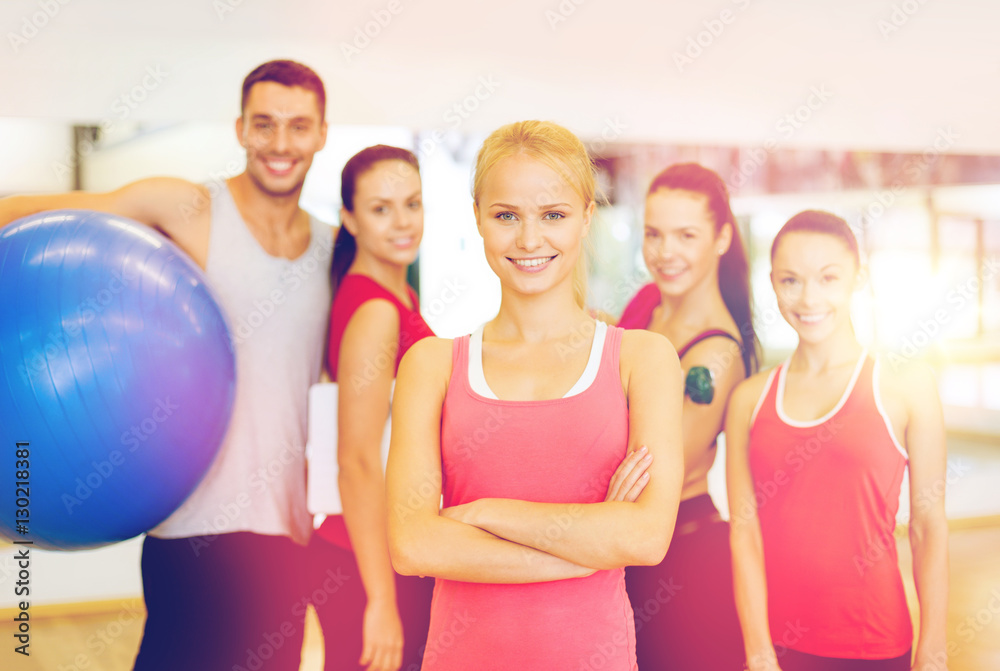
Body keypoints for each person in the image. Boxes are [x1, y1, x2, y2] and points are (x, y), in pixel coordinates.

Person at [0, 59, 333, 670]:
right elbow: (20, 209)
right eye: (264, 124)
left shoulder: (332, 248)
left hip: (286, 531)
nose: (280, 143)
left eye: (297, 126)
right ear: (240, 128)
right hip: (189, 528)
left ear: (321, 133)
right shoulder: (189, 208)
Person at [385, 120, 685, 671]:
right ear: (477, 217)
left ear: (587, 217)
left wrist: (483, 513)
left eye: (553, 215)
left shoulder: (643, 360)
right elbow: (413, 546)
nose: (529, 240)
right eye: (506, 216)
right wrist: (585, 547)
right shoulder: (430, 366)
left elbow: (644, 538)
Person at [726, 211, 949, 671]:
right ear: (772, 283)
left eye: (828, 278)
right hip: (779, 647)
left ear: (858, 279)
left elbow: (928, 526)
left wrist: (933, 651)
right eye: (791, 281)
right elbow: (744, 531)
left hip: (875, 642)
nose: (809, 298)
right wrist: (758, 651)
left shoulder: (907, 385)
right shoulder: (749, 399)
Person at [616, 163, 757, 670]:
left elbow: (653, 479)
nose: (664, 251)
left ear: (721, 238)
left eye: (685, 235)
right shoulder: (647, 304)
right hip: (625, 551)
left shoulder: (715, 356)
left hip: (682, 561)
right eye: (653, 233)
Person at [307, 145, 434, 671]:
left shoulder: (396, 294)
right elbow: (356, 461)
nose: (403, 222)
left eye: (412, 203)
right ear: (350, 220)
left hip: (379, 551)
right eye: (381, 209)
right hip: (362, 561)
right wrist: (381, 600)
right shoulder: (377, 311)